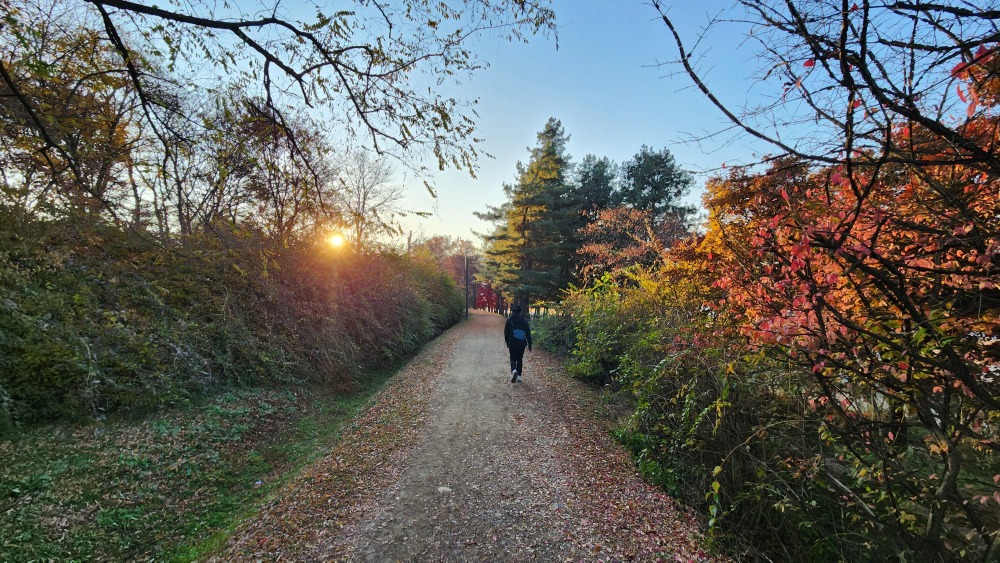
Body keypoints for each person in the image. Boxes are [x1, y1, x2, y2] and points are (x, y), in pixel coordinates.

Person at [504, 304, 532, 383]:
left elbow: (506, 333)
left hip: (512, 343)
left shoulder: (509, 320)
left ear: (513, 311)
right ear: (520, 311)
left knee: (513, 358)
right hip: (521, 343)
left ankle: (514, 371)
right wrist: (530, 344)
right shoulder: (524, 320)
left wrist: (507, 342)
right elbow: (528, 333)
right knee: (520, 359)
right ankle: (519, 376)